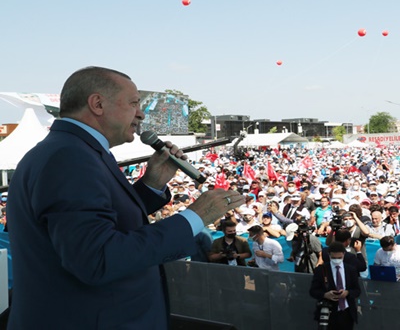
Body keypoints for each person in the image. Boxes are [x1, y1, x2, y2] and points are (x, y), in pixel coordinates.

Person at [6, 66, 245, 329]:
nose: (141, 114)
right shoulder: (70, 158)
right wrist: (194, 218)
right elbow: (97, 259)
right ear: (97, 104)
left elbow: (100, 221)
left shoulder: (74, 150)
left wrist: (152, 184)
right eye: (134, 103)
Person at [309, 242, 361, 330]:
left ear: (344, 254)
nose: (336, 260)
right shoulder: (321, 270)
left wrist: (347, 293)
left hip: (347, 312)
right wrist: (325, 295)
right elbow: (313, 291)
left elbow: (357, 290)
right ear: (329, 255)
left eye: (339, 258)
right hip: (328, 311)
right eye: (333, 258)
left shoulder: (350, 270)